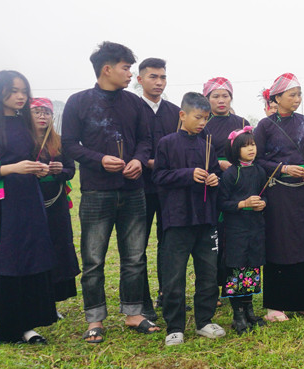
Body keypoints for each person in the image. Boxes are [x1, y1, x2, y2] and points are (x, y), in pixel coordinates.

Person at [62, 41, 159, 343]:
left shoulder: (134, 104)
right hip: (96, 193)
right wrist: (99, 159)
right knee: (93, 260)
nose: (130, 74)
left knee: (134, 256)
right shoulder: (78, 102)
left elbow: (146, 140)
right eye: (126, 68)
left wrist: (138, 161)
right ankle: (95, 319)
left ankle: (133, 313)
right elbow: (70, 145)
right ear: (107, 69)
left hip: (133, 191)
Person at [0, 71, 56, 344]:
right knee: (9, 261)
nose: (20, 96)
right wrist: (12, 169)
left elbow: (29, 158)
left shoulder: (26, 124)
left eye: (24, 91)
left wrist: (39, 169)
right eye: (14, 91)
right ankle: (10, 330)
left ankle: (30, 326)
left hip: (30, 198)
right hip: (4, 202)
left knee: (32, 256)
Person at [153, 92, 225, 346]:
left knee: (208, 272)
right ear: (182, 115)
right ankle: (175, 326)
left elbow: (215, 174)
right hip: (177, 219)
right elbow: (158, 177)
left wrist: (215, 179)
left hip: (205, 219)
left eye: (206, 118)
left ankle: (204, 321)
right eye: (198, 117)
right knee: (174, 276)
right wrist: (186, 174)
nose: (202, 123)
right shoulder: (167, 143)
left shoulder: (208, 145)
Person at [254, 73, 304, 322]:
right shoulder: (266, 126)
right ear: (277, 98)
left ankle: (303, 303)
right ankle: (275, 305)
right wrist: (283, 168)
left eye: (299, 94)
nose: (297, 99)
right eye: (292, 94)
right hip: (279, 191)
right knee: (279, 244)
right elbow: (257, 159)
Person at [137, 57, 179, 314]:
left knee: (170, 244)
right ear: (139, 79)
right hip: (138, 188)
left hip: (169, 190)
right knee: (137, 247)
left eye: (162, 77)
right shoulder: (132, 108)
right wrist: (146, 161)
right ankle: (141, 303)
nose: (159, 82)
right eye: (153, 77)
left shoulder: (175, 112)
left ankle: (168, 294)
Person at [31, 97, 81, 309]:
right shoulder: (22, 141)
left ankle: (54, 300)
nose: (43, 117)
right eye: (37, 112)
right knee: (35, 248)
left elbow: (71, 170)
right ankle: (37, 299)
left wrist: (61, 170)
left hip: (57, 203)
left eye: (47, 113)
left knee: (58, 246)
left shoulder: (59, 142)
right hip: (31, 202)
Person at [218, 128, 268, 333]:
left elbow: (266, 195)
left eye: (253, 145)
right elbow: (222, 203)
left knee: (252, 268)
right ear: (235, 149)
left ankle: (249, 310)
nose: (251, 149)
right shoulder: (231, 174)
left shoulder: (259, 171)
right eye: (245, 146)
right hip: (235, 230)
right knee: (236, 269)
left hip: (255, 228)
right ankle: (237, 314)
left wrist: (263, 203)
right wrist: (243, 203)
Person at [203, 77, 249, 171]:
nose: (221, 101)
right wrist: (218, 163)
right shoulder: (202, 124)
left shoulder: (243, 123)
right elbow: (196, 153)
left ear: (231, 98)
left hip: (239, 173)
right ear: (207, 99)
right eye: (216, 96)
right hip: (211, 175)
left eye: (225, 96)